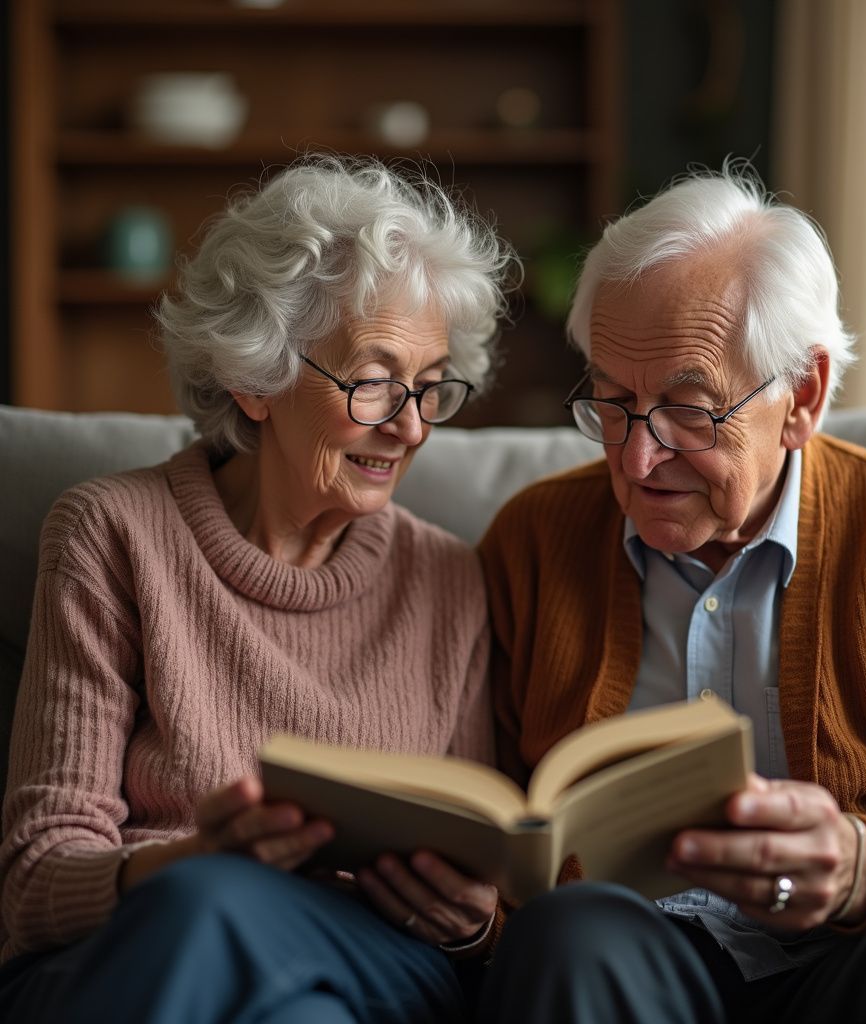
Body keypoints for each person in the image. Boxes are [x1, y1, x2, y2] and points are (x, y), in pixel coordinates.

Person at [476, 168, 866, 1024]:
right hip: (632, 963)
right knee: (569, 929)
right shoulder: (533, 543)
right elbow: (494, 824)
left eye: (688, 412)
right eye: (613, 404)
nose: (635, 460)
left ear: (802, 396)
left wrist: (859, 865)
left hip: (853, 957)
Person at [0, 155, 517, 1023]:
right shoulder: (111, 533)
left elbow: (478, 888)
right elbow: (37, 880)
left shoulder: (448, 578)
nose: (412, 425)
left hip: (377, 963)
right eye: (376, 380)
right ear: (255, 376)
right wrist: (196, 860)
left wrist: (474, 925)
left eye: (431, 387)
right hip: (145, 942)